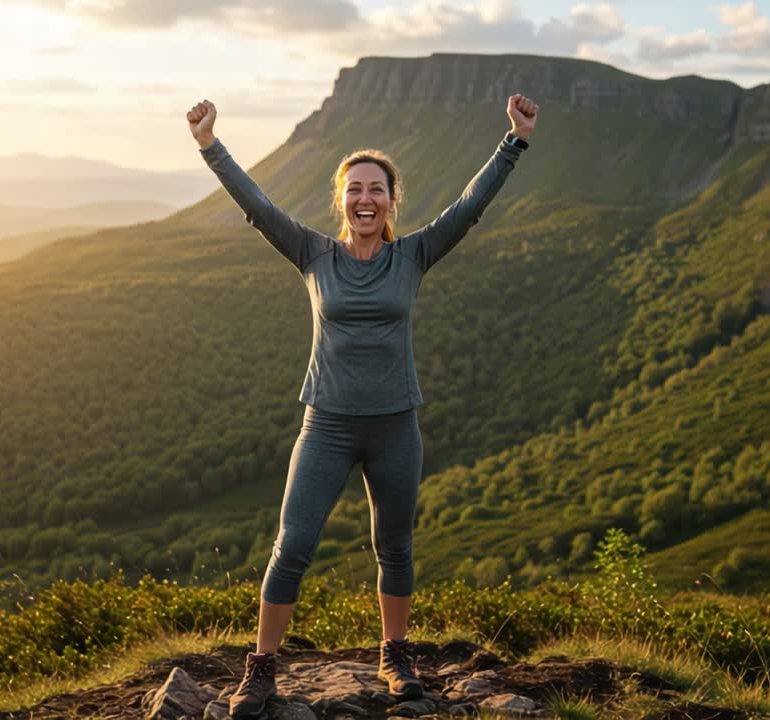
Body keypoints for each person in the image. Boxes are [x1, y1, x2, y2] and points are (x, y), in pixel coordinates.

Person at [186, 92, 539, 718]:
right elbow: (257, 205)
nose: (366, 200)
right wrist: (211, 145)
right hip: (325, 424)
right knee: (292, 546)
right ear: (341, 199)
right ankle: (262, 667)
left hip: (395, 426)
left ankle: (395, 651)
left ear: (391, 200)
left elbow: (470, 206)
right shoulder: (312, 253)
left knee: (394, 546)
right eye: (355, 190)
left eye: (376, 189)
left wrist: (514, 140)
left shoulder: (415, 254)